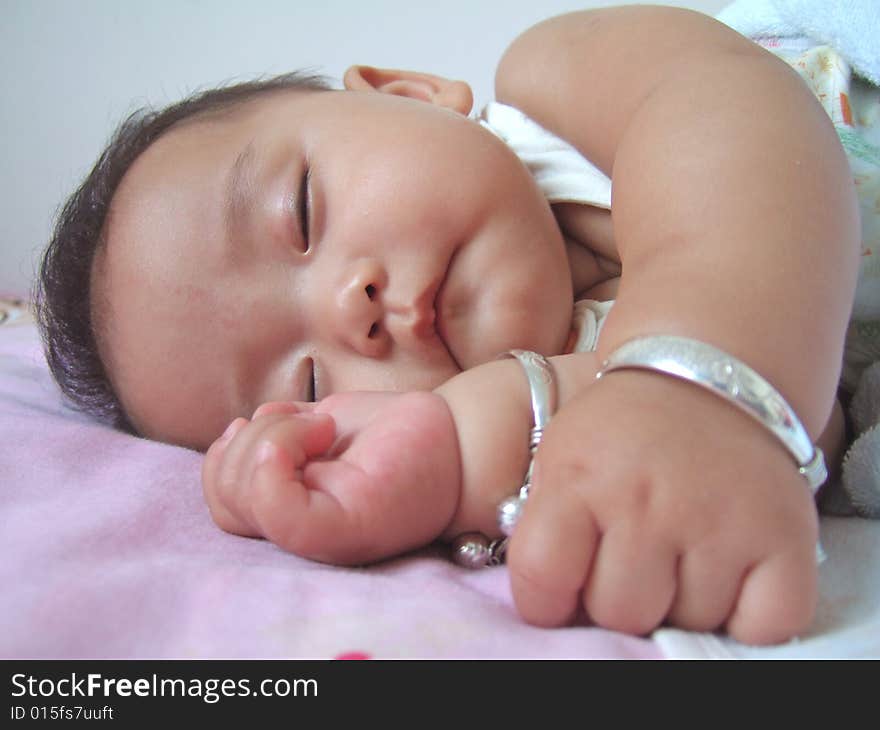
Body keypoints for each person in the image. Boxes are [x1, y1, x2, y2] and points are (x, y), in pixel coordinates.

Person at [35, 5, 867, 646]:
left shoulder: (559, 90)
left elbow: (733, 107)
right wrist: (427, 467)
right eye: (312, 382)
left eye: (302, 212)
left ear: (411, 95)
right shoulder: (590, 404)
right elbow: (807, 426)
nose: (346, 309)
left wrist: (696, 388)